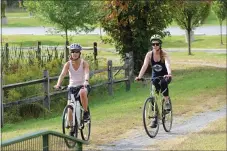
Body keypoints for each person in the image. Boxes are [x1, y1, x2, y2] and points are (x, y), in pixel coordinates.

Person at [135, 34, 172, 128]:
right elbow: (145, 65)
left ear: (160, 45)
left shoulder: (164, 54)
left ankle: (167, 102)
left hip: (165, 76)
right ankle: (155, 118)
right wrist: (139, 76)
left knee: (163, 83)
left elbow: (167, 64)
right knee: (152, 96)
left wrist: (169, 73)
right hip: (155, 77)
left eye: (157, 44)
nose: (155, 46)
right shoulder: (149, 54)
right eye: (153, 44)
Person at [54, 43, 91, 128]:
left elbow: (86, 73)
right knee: (70, 109)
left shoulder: (84, 63)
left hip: (83, 86)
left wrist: (86, 81)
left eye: (77, 51)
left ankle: (85, 113)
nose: (74, 53)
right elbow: (62, 74)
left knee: (82, 92)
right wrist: (58, 84)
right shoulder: (68, 64)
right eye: (72, 51)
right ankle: (72, 129)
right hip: (72, 87)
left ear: (79, 53)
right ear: (70, 53)